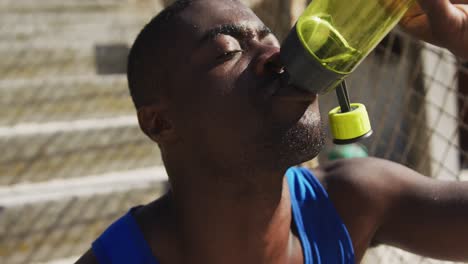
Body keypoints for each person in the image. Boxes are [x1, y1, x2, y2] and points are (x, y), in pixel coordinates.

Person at [76, 0, 468, 263]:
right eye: (228, 51)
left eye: (272, 40)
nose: (277, 58)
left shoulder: (352, 202)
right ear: (161, 123)